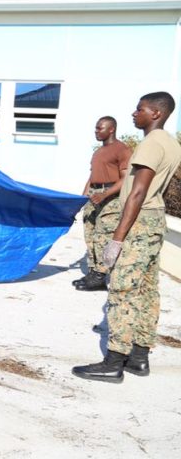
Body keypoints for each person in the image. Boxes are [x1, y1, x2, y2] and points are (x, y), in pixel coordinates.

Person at [72, 92, 181, 383]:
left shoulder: (151, 143)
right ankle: (139, 357)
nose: (134, 114)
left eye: (140, 109)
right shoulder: (171, 143)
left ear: (156, 113)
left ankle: (114, 361)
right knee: (147, 290)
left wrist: (117, 238)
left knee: (122, 290)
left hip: (138, 220)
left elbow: (137, 191)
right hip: (155, 220)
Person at [73, 116, 132, 291]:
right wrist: (81, 200)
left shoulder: (122, 150)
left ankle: (101, 275)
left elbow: (126, 178)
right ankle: (93, 272)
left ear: (111, 129)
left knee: (102, 237)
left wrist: (105, 193)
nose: (96, 131)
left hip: (110, 197)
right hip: (94, 195)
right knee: (90, 236)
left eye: (100, 128)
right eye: (96, 128)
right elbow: (92, 178)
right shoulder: (98, 152)